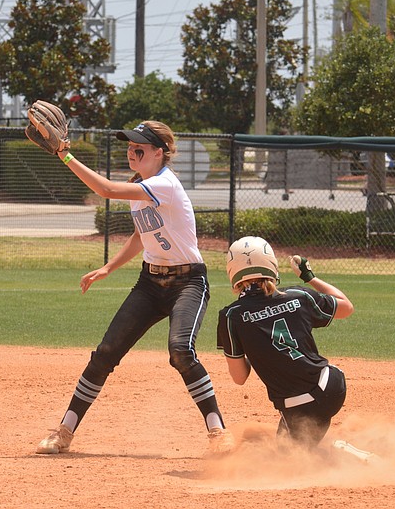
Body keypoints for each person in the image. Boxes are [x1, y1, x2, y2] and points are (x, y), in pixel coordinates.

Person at [36, 121, 233, 455]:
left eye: (139, 147)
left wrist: (65, 155)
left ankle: (219, 434)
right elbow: (143, 233)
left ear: (159, 152)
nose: (131, 151)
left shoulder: (165, 185)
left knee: (180, 351)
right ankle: (63, 432)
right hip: (150, 283)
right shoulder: (141, 187)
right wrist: (109, 267)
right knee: (106, 353)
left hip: (188, 282)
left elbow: (106, 191)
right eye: (129, 146)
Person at [217, 237, 355, 450]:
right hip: (332, 384)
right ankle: (316, 441)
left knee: (290, 461)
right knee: (286, 442)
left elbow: (239, 377)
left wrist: (256, 347)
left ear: (232, 272)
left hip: (299, 403)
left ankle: (338, 451)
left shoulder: (231, 316)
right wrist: (309, 277)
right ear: (271, 265)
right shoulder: (298, 295)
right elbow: (346, 307)